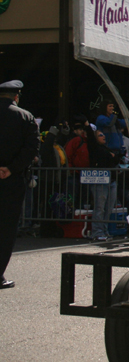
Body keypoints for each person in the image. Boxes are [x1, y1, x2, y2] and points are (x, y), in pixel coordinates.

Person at [0, 81, 39, 289]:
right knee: (6, 228)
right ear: (16, 96)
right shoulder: (25, 117)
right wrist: (11, 169)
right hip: (12, 180)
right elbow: (31, 147)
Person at [84, 123, 120, 242]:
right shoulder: (94, 148)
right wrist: (88, 127)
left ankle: (105, 230)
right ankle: (97, 232)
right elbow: (90, 139)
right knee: (100, 207)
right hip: (100, 181)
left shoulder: (107, 148)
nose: (103, 136)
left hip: (112, 180)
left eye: (103, 134)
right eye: (100, 135)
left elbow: (116, 158)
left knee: (108, 208)